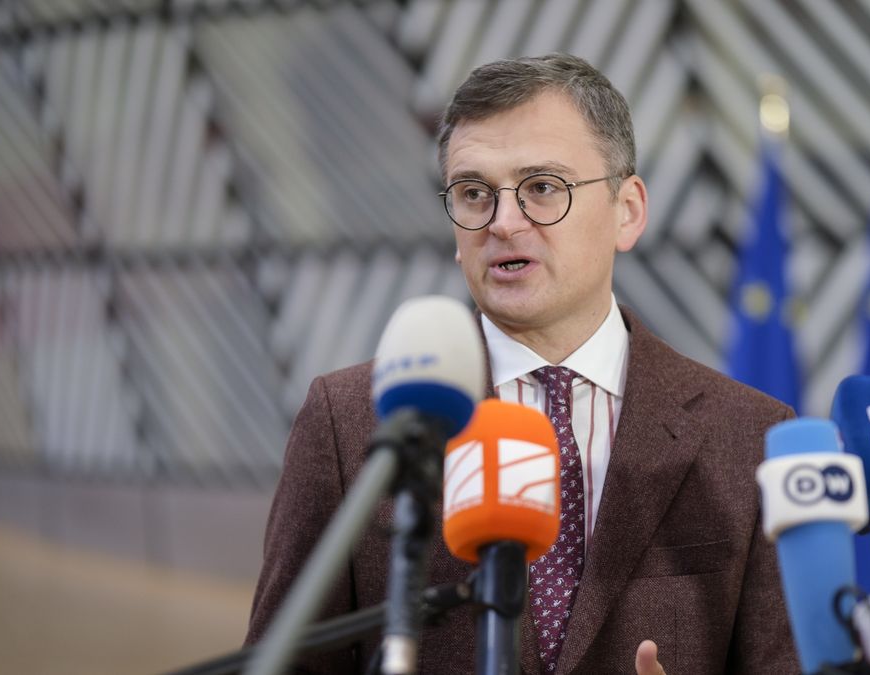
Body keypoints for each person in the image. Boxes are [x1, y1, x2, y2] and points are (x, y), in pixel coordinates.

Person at [246, 53, 798, 674]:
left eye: (541, 188)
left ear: (628, 211)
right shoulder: (351, 422)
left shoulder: (748, 435)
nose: (504, 223)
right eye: (475, 193)